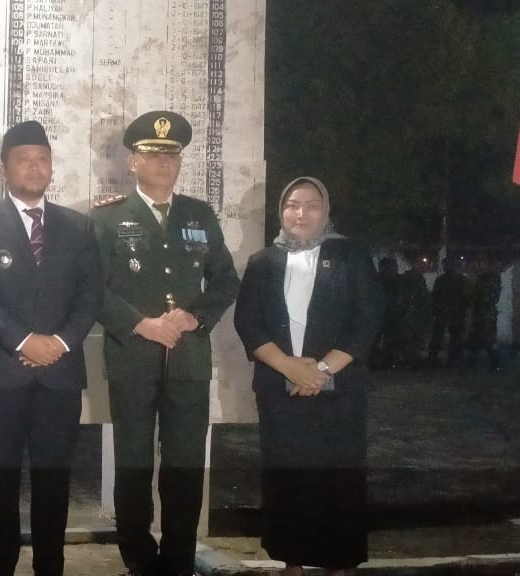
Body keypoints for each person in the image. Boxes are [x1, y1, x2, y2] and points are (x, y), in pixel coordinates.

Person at [91, 111, 240, 576]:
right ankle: (138, 558)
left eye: (172, 156)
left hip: (188, 358)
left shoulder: (199, 215)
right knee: (134, 464)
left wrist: (195, 316)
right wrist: (140, 324)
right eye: (153, 155)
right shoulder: (107, 217)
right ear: (132, 161)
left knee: (185, 465)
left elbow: (225, 280)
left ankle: (178, 559)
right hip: (133, 357)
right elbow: (92, 288)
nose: (164, 164)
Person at [0, 121, 101, 576]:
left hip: (60, 374)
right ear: (4, 169)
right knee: (0, 481)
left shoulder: (78, 227)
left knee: (54, 482)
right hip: (3, 373)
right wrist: (23, 341)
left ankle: (49, 567)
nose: (34, 167)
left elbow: (90, 294)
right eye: (23, 159)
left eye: (42, 159)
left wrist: (58, 342)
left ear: (52, 167)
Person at [233, 176, 383, 576]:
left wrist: (320, 370)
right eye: (292, 205)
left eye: (312, 205)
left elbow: (367, 319)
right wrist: (287, 366)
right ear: (281, 211)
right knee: (288, 479)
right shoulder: (263, 261)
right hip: (280, 391)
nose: (301, 213)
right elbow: (248, 321)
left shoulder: (350, 256)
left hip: (339, 392)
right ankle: (292, 561)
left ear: (326, 211)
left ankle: (339, 563)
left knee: (338, 480)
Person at [428, 256, 469, 368]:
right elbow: (435, 297)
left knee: (454, 336)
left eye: (450, 265)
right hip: (445, 312)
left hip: (454, 312)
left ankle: (451, 359)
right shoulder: (443, 280)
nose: (448, 268)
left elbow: (466, 298)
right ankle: (437, 359)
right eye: (446, 266)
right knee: (444, 336)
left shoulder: (460, 280)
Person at [467, 267, 502, 371]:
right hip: (487, 314)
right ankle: (493, 363)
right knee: (485, 340)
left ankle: (489, 362)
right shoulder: (495, 282)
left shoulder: (486, 283)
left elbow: (476, 298)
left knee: (480, 339)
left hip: (483, 314)